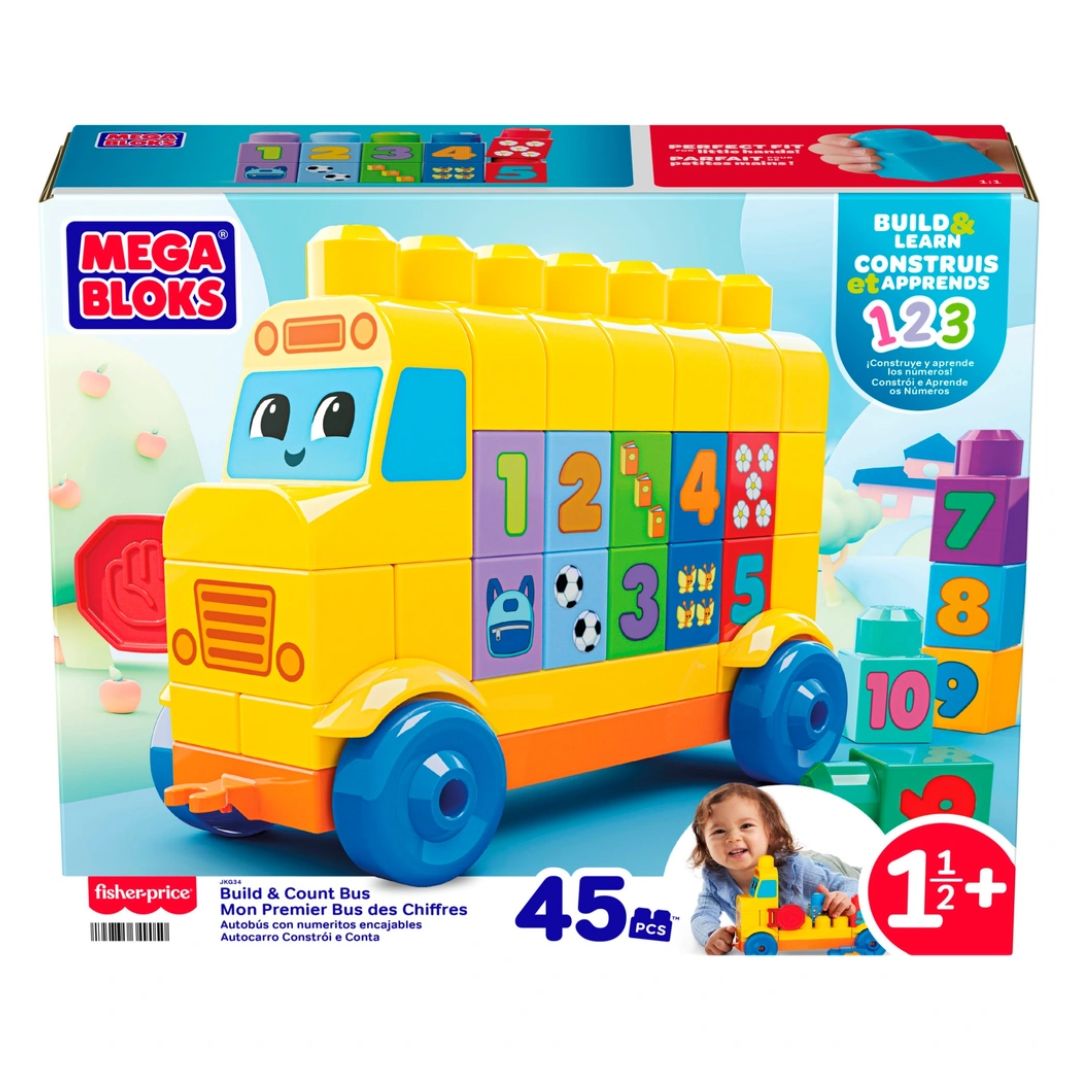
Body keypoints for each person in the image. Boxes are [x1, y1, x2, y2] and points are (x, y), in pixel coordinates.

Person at [689, 782, 858, 955]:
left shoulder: (797, 870)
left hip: (823, 864)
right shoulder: (716, 879)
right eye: (719, 831)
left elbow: (850, 883)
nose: (733, 838)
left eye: (746, 826)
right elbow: (702, 915)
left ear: (770, 833)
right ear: (704, 843)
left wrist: (844, 896)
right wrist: (711, 934)